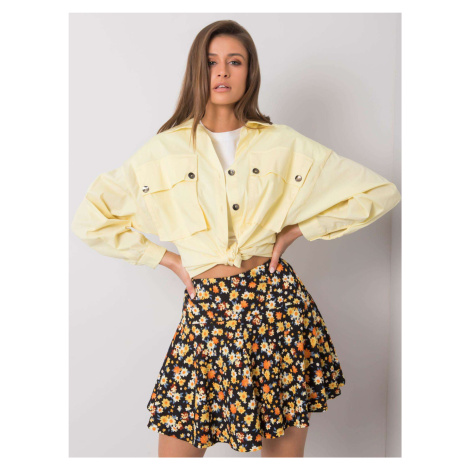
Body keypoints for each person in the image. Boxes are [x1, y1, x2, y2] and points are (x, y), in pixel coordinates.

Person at [71, 20, 401, 458]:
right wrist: (169, 260)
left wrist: (297, 231)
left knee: (283, 458)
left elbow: (378, 192)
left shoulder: (283, 144)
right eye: (212, 62)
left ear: (250, 72)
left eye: (235, 61)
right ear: (197, 70)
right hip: (207, 310)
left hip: (275, 307)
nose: (223, 72)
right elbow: (92, 219)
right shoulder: (163, 151)